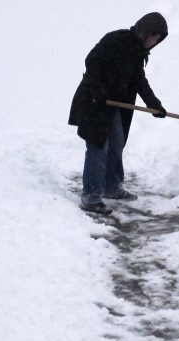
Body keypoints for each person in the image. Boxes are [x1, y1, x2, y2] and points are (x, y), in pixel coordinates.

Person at [68, 12, 168, 214]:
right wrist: (98, 91)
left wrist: (154, 106)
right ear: (144, 31)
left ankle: (112, 188)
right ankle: (91, 197)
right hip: (94, 102)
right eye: (153, 37)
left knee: (116, 143)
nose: (153, 43)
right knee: (98, 147)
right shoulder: (117, 39)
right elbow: (92, 60)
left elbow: (140, 82)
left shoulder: (137, 54)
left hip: (113, 107)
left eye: (157, 41)